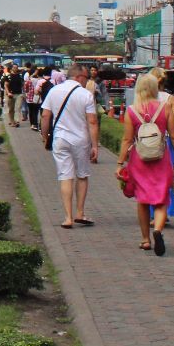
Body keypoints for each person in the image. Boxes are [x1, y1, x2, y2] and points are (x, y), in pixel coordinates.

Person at [117, 73, 174, 255]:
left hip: (140, 160)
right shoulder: (165, 107)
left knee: (143, 200)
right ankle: (158, 230)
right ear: (155, 88)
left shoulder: (132, 110)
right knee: (161, 199)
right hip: (161, 158)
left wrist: (120, 162)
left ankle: (146, 240)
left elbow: (127, 139)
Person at [41, 62, 99, 229]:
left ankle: (68, 217)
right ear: (79, 77)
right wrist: (95, 145)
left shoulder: (54, 91)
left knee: (65, 176)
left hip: (60, 138)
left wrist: (45, 137)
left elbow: (45, 116)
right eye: (86, 77)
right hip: (81, 140)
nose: (87, 81)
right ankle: (80, 212)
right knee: (82, 176)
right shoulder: (85, 95)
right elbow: (92, 121)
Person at [148, 67, 174, 223]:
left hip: (147, 142)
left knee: (149, 177)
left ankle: (152, 211)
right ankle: (164, 211)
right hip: (166, 142)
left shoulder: (143, 98)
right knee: (165, 178)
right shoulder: (170, 99)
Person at [25, 65, 43, 130]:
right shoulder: (39, 80)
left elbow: (25, 89)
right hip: (37, 98)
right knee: (36, 111)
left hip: (29, 98)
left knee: (31, 111)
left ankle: (32, 123)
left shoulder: (29, 81)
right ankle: (35, 124)